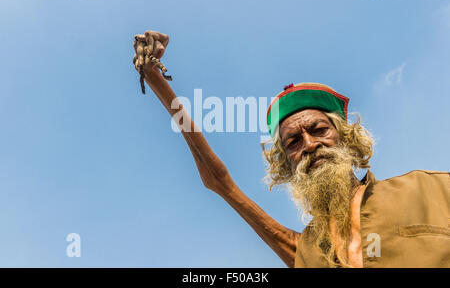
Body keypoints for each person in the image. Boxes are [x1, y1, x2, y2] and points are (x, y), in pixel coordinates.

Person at [132, 30, 450, 268]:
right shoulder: (307, 251)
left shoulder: (432, 189)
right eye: (293, 143)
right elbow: (220, 182)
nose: (310, 146)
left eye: (319, 130)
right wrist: (156, 80)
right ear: (286, 164)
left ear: (346, 138)